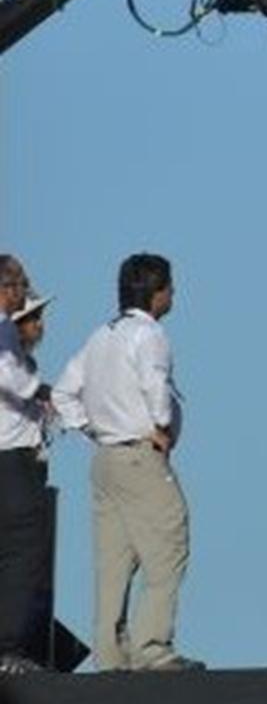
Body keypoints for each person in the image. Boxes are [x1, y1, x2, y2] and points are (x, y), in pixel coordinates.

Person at [51, 253, 200, 672]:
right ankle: (152, 647)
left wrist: (91, 428)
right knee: (169, 541)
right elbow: (155, 385)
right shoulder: (149, 335)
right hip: (139, 455)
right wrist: (161, 425)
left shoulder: (101, 336)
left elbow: (63, 393)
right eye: (169, 286)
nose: (173, 293)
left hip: (105, 460)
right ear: (156, 293)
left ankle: (111, 654)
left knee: (114, 558)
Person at [0, 259, 56, 676]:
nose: (24, 290)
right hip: (10, 456)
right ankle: (8, 647)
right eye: (19, 284)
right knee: (24, 547)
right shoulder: (2, 332)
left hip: (17, 454)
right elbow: (10, 378)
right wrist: (41, 391)